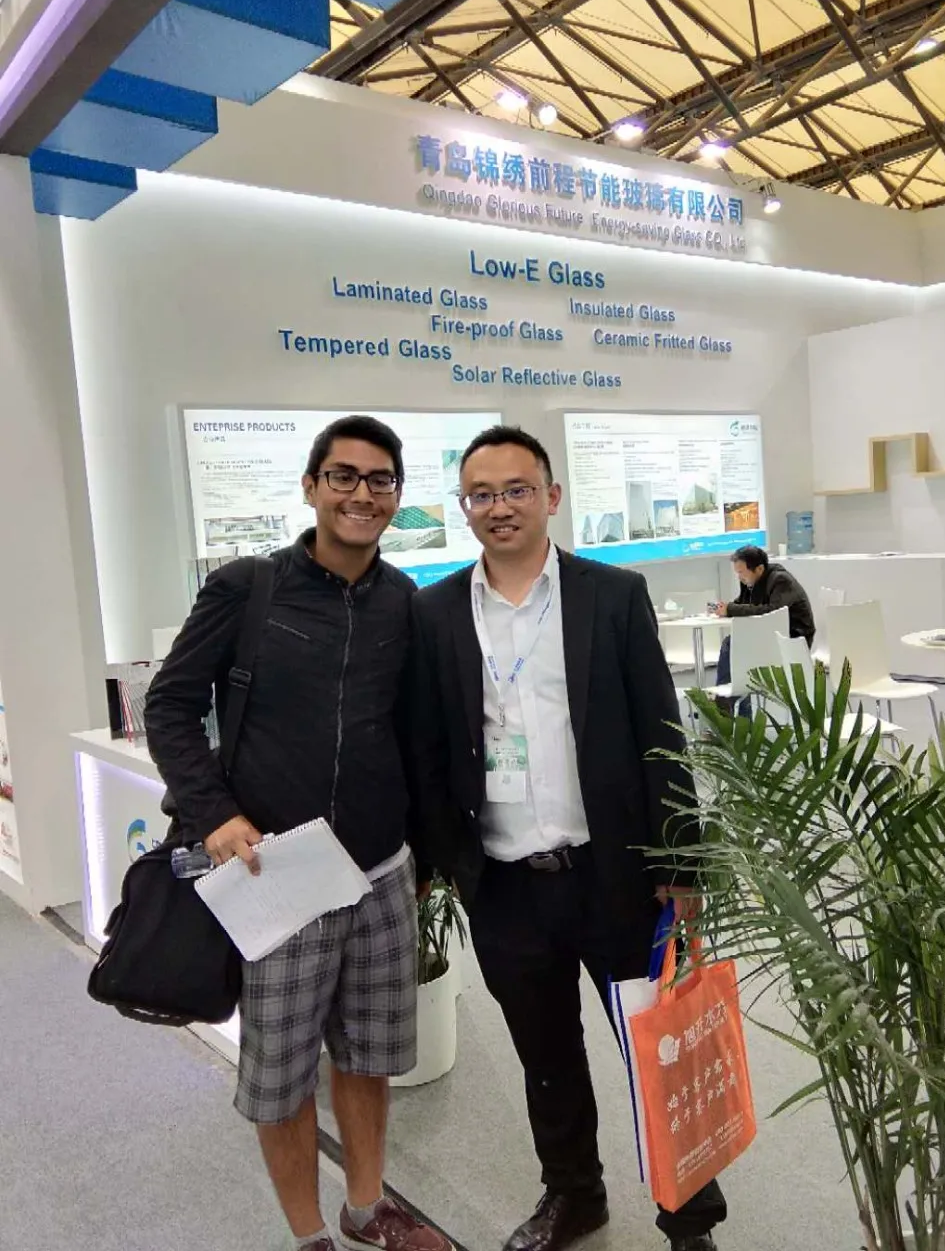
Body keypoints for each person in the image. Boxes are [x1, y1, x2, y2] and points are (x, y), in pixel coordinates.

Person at [408, 425, 724, 1251]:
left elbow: (661, 731)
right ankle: (574, 1194)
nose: (500, 506)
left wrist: (682, 863)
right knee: (546, 1058)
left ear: (551, 496)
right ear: (464, 507)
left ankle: (689, 1218)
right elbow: (428, 746)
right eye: (482, 494)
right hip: (507, 883)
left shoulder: (610, 595)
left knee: (658, 1050)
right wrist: (448, 862)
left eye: (517, 489)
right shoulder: (434, 611)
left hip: (615, 875)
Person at [145, 415, 451, 1251]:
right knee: (281, 1075)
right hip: (275, 873)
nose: (361, 493)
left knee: (368, 1054)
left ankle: (365, 1207)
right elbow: (169, 706)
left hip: (381, 869)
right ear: (311, 486)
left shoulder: (404, 602)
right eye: (343, 475)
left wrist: (425, 854)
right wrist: (215, 814)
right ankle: (309, 1234)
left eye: (380, 479)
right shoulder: (249, 589)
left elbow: (413, 736)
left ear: (397, 496)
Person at [711, 546, 816, 709]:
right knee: (735, 644)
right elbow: (744, 604)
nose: (739, 577)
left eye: (741, 572)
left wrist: (731, 609)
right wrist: (723, 608)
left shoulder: (781, 580)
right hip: (769, 636)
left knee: (733, 644)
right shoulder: (750, 581)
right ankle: (732, 707)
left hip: (791, 641)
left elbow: (771, 611)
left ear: (759, 569)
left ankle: (726, 706)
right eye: (737, 573)